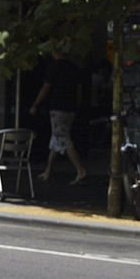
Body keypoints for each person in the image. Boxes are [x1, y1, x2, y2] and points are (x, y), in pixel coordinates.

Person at [30, 51, 87, 184]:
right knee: (57, 138)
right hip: (70, 108)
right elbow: (79, 89)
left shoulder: (54, 67)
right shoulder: (73, 67)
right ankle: (48, 171)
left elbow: (46, 87)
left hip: (58, 107)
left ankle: (80, 169)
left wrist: (36, 104)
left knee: (63, 138)